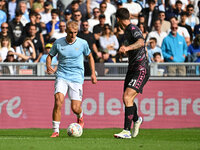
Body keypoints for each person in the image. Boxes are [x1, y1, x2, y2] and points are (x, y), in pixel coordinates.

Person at [46, 21, 97, 138]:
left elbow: (90, 56)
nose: (73, 35)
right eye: (70, 33)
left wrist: (93, 73)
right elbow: (50, 56)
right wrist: (48, 65)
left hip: (76, 77)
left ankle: (80, 116)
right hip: (62, 75)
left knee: (75, 108)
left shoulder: (82, 43)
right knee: (58, 100)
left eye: (75, 32)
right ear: (66, 32)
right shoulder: (58, 43)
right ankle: (56, 131)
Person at [114, 8, 149, 139]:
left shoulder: (132, 29)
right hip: (132, 69)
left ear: (118, 19)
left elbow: (141, 42)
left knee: (127, 97)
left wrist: (127, 48)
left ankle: (126, 131)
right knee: (128, 99)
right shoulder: (126, 32)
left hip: (141, 69)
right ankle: (137, 119)